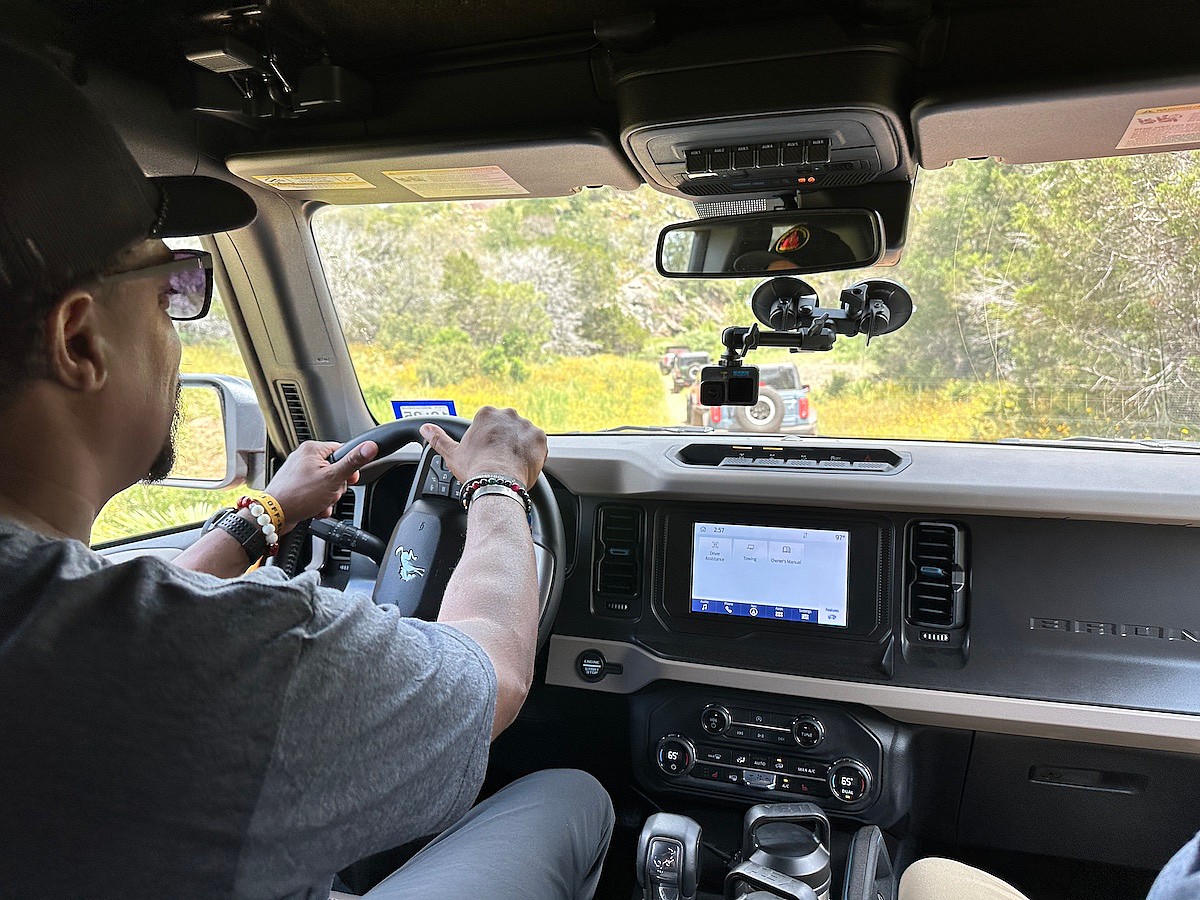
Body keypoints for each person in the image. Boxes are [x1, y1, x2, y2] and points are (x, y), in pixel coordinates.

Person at [0, 38, 613, 899]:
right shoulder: (235, 660)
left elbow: (105, 622)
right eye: (171, 286)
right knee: (573, 795)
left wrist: (267, 515)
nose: (177, 331)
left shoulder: (68, 631)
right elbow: (495, 677)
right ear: (79, 340)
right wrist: (497, 486)